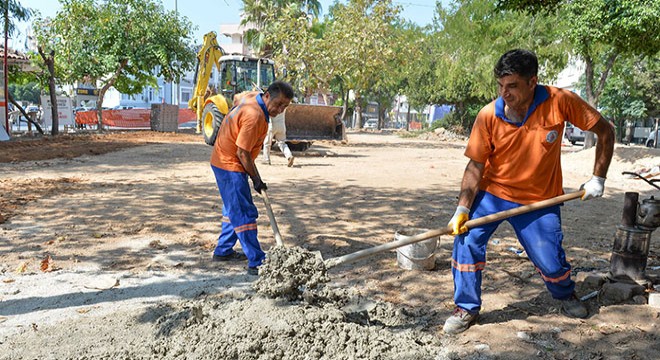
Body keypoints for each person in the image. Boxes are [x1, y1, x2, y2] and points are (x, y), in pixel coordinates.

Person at [443, 49, 615, 335]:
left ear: (532, 81)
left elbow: (606, 131)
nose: (504, 93)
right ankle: (466, 308)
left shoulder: (560, 101)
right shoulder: (488, 115)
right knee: (466, 241)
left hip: (540, 199)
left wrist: (599, 178)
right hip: (493, 194)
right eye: (500, 86)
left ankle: (564, 294)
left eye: (512, 86)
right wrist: (462, 209)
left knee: (549, 258)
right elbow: (475, 166)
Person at [210, 80, 294, 276]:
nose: (280, 110)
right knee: (244, 212)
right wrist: (257, 180)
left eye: (285, 106)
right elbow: (243, 154)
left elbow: (238, 97)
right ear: (266, 96)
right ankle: (257, 261)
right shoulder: (255, 116)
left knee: (232, 208)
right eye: (278, 104)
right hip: (230, 164)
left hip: (224, 159)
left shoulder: (251, 99)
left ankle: (223, 251)